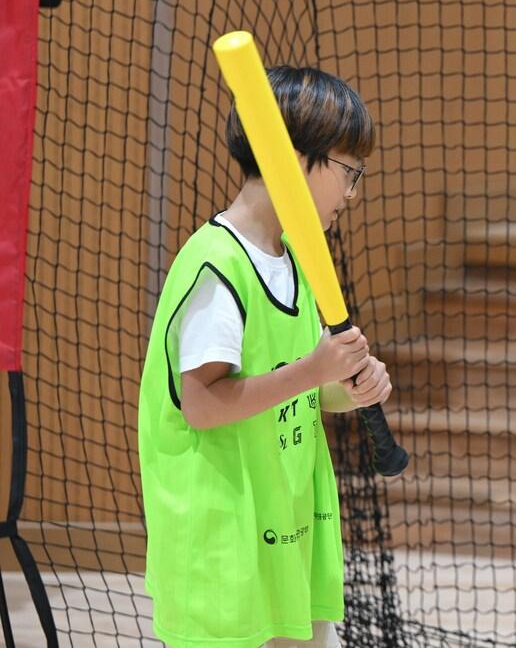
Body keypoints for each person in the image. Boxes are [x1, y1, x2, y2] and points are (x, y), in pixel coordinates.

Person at [138, 66, 393, 648]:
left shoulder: (296, 258)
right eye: (349, 172)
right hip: (224, 553)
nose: (351, 194)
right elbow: (204, 404)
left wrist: (346, 387)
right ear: (298, 160)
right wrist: (314, 369)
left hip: (285, 537)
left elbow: (300, 385)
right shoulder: (218, 265)